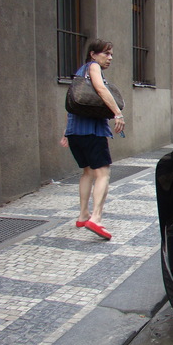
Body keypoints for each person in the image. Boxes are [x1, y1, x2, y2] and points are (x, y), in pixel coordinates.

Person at [60, 39, 125, 240]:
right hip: (92, 131)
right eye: (106, 53)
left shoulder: (80, 74)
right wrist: (118, 113)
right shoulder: (93, 68)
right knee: (103, 173)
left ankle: (82, 215)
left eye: (111, 54)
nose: (110, 58)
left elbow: (73, 104)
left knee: (87, 172)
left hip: (75, 132)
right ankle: (96, 218)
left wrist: (66, 132)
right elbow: (101, 89)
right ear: (93, 54)